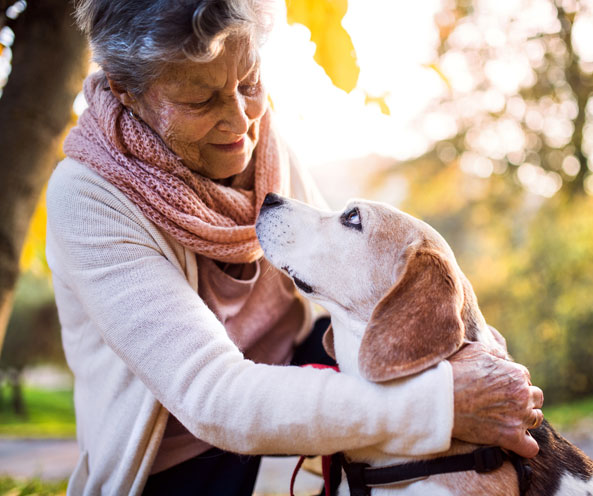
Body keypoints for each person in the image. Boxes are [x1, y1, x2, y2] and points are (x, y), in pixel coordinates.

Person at [45, 1, 544, 495]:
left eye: (249, 82)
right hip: (180, 456)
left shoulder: (259, 138)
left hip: (301, 362)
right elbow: (212, 397)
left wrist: (478, 363)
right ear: (124, 91)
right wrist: (440, 403)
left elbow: (343, 274)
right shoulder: (86, 198)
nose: (241, 122)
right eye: (201, 101)